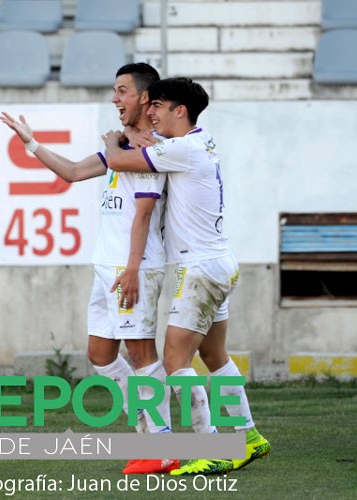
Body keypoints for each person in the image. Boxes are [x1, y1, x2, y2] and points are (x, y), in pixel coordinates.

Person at [0, 63, 178, 475]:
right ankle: (148, 427)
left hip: (133, 267)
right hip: (106, 266)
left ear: (145, 98)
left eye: (122, 91)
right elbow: (74, 172)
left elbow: (144, 215)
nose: (115, 99)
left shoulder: (150, 149)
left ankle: (165, 445)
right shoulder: (119, 149)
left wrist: (133, 269)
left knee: (142, 354)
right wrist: (31, 143)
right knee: (99, 355)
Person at [103, 77, 270, 476]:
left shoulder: (181, 149)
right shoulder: (199, 141)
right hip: (218, 263)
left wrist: (115, 140)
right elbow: (151, 146)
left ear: (181, 111)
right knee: (214, 355)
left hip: (198, 269)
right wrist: (138, 135)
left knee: (176, 357)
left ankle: (213, 446)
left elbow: (118, 161)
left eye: (158, 105)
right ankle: (247, 436)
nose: (152, 112)